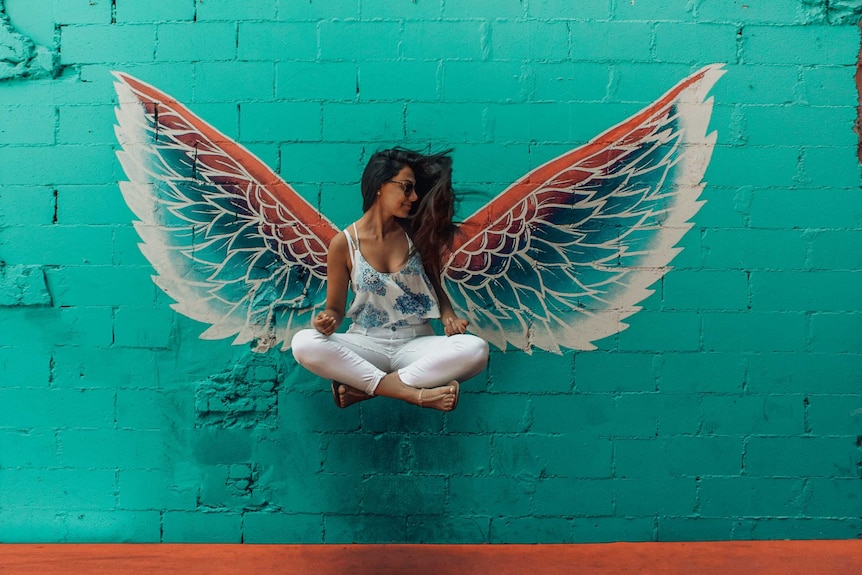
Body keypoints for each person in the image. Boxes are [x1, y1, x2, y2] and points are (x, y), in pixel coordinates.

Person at [291, 148, 489, 411]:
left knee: (475, 349)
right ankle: (412, 394)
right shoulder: (344, 244)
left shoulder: (418, 235)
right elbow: (335, 309)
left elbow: (435, 288)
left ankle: (366, 390)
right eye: (407, 188)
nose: (415, 197)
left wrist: (449, 318)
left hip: (416, 344)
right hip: (366, 343)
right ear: (379, 186)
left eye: (415, 189)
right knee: (304, 343)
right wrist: (327, 321)